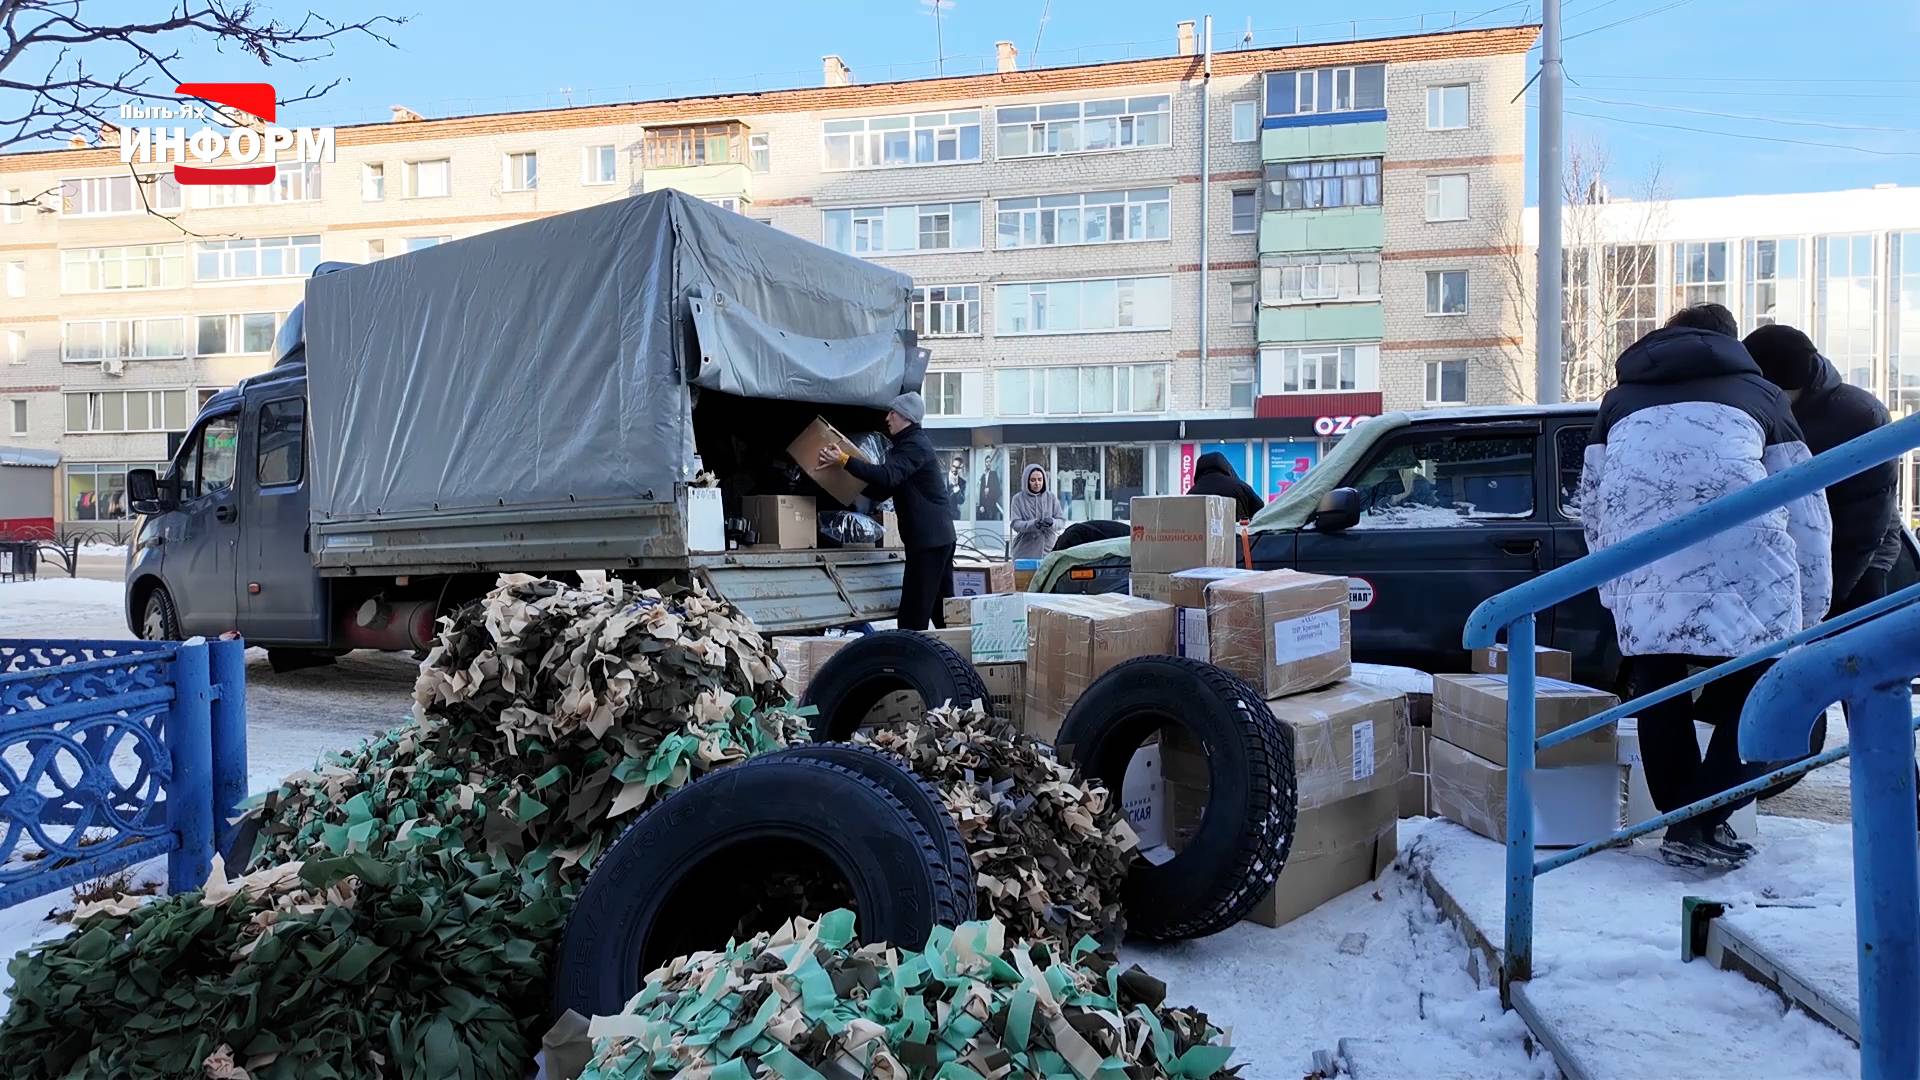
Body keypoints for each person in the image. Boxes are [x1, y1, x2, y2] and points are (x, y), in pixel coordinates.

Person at [1579, 303, 1832, 871]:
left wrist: (1613, 588)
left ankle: (1684, 824)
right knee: (1762, 687)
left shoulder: (1618, 402)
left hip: (1645, 564)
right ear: (1730, 343)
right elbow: (1808, 508)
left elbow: (1593, 506)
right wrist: (1812, 606)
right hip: (1751, 569)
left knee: (1658, 690)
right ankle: (1703, 821)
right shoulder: (1763, 396)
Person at [1743, 324, 1900, 618]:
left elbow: (1865, 523)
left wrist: (1828, 598)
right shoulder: (1767, 410)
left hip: (1860, 560)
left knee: (1855, 649)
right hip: (1796, 556)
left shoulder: (1860, 416)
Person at [817, 391, 955, 631]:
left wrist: (845, 461)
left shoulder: (914, 446)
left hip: (928, 542)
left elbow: (888, 476)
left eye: (893, 413)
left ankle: (910, 662)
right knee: (942, 610)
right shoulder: (906, 446)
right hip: (935, 538)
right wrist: (844, 483)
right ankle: (956, 656)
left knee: (914, 614)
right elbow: (883, 488)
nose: (887, 417)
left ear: (907, 418)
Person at [1187, 451, 1263, 520]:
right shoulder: (1240, 486)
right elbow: (1260, 509)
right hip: (1237, 533)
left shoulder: (1192, 492)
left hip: (1202, 534)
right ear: (1224, 465)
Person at [1008, 465, 1062, 559]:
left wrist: (1052, 522)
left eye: (1040, 479)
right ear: (1026, 481)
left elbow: (1061, 521)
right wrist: (1033, 524)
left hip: (1048, 550)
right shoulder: (1018, 499)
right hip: (1025, 551)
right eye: (1033, 480)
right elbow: (1015, 523)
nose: (1037, 483)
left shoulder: (1051, 498)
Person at [945, 457, 969, 521]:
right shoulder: (941, 476)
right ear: (951, 465)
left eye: (958, 468)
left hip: (954, 517)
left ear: (961, 469)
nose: (954, 469)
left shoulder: (963, 482)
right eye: (953, 466)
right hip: (940, 514)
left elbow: (961, 501)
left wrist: (956, 486)